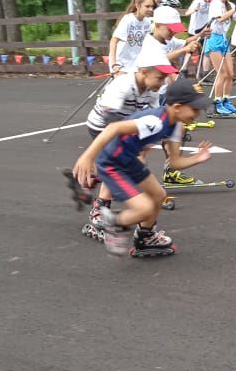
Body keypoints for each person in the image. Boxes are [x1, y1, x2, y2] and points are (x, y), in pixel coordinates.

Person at [71, 77, 212, 256]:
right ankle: (112, 223)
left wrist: (198, 158)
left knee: (159, 195)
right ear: (177, 107)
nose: (198, 114)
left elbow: (174, 162)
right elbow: (112, 129)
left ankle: (145, 238)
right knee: (143, 208)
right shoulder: (156, 121)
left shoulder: (176, 125)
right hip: (113, 163)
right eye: (194, 109)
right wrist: (87, 157)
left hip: (129, 159)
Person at [83, 58, 178, 229]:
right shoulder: (123, 85)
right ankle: (100, 208)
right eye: (159, 78)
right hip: (103, 126)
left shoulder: (152, 90)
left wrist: (142, 151)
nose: (162, 82)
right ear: (143, 72)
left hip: (127, 126)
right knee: (115, 164)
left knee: (124, 163)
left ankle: (91, 178)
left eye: (164, 79)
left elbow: (153, 120)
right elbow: (111, 123)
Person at [134, 5, 204, 185]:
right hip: (141, 102)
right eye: (170, 29)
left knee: (176, 129)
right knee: (141, 147)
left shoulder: (164, 40)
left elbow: (178, 47)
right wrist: (188, 91)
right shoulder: (151, 45)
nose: (173, 33)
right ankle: (136, 185)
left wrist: (193, 42)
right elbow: (168, 69)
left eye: (175, 29)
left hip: (157, 97)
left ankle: (170, 171)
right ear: (157, 25)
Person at [202, 0, 236, 115]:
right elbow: (220, 19)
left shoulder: (228, 4)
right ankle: (217, 103)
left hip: (224, 40)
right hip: (214, 39)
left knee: (230, 74)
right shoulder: (215, 4)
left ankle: (226, 100)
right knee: (222, 74)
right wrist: (235, 8)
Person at [110, 0, 155, 73]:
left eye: (152, 6)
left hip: (136, 65)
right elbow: (114, 40)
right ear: (138, 6)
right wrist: (113, 64)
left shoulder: (148, 22)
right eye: (147, 6)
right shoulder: (128, 19)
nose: (151, 9)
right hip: (121, 65)